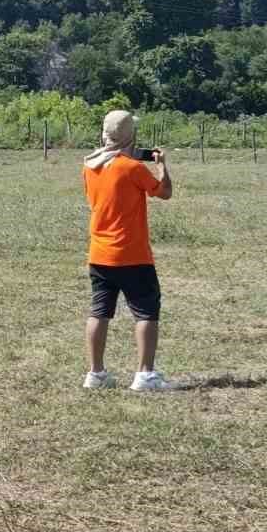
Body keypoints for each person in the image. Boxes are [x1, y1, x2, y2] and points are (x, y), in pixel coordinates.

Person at [82, 109, 174, 390]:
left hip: (99, 252)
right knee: (146, 312)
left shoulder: (89, 165)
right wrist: (161, 165)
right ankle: (145, 375)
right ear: (129, 136)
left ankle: (96, 374)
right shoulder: (132, 167)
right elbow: (164, 192)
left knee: (99, 312)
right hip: (131, 254)